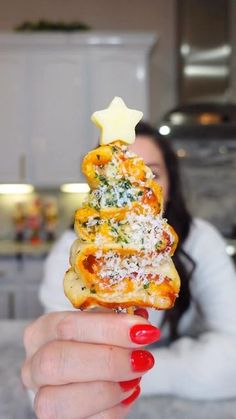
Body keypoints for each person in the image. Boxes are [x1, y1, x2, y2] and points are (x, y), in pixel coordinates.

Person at [22, 122, 236, 418]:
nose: (135, 187)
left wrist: (134, 374)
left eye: (151, 174)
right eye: (117, 173)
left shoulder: (200, 240)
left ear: (170, 187)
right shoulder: (77, 256)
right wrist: (61, 374)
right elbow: (52, 377)